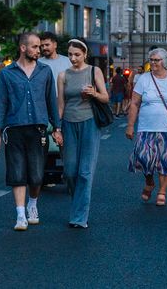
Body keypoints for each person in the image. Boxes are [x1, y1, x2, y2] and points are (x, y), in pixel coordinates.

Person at [0, 32, 62, 231]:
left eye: (40, 47)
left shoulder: (45, 71)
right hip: (14, 128)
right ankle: (20, 214)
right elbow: (1, 103)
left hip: (38, 129)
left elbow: (51, 101)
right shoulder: (6, 73)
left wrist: (57, 128)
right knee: (17, 172)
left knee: (37, 175)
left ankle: (33, 203)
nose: (39, 50)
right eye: (35, 47)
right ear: (23, 48)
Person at [125, 48, 167, 207]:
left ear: (164, 61)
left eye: (156, 60)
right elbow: (135, 103)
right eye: (151, 60)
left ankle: (162, 191)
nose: (152, 62)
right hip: (146, 126)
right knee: (144, 159)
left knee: (166, 162)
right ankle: (150, 182)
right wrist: (130, 125)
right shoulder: (144, 79)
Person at [56, 39, 108, 228]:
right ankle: (78, 203)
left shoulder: (94, 71)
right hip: (68, 123)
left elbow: (105, 97)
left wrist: (94, 93)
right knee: (70, 171)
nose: (73, 58)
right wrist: (57, 128)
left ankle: (79, 217)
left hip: (90, 123)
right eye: (70, 54)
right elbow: (60, 104)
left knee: (85, 172)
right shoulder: (63, 75)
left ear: (85, 54)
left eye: (77, 54)